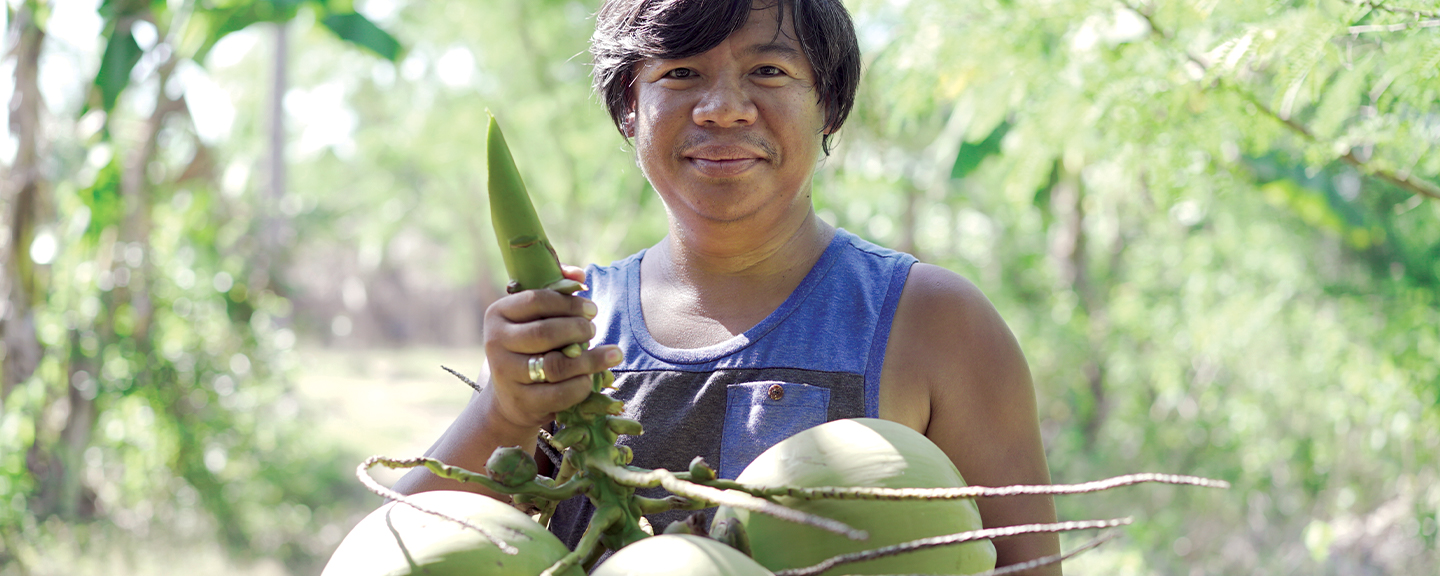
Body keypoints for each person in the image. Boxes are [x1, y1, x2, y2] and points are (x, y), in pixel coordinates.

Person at [395, 0, 1060, 572]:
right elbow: (407, 548)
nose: (722, 109)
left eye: (768, 71)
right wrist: (505, 412)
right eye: (680, 72)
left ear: (828, 105)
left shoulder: (936, 324)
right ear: (630, 107)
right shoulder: (571, 330)